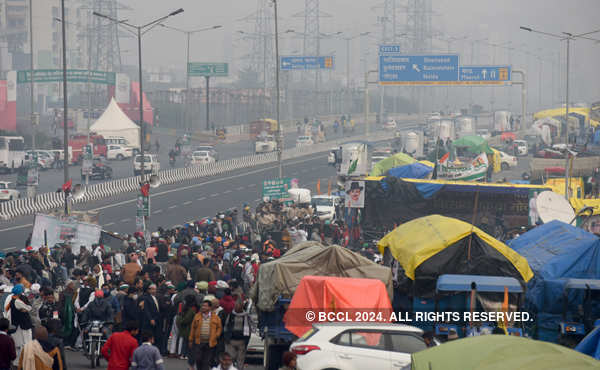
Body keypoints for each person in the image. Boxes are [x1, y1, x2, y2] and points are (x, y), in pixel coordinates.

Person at [189, 300, 222, 370]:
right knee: (198, 359)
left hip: (210, 343)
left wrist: (216, 335)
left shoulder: (215, 317)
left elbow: (219, 328)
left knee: (206, 361)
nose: (203, 307)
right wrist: (191, 340)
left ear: (210, 308)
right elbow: (193, 329)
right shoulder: (197, 316)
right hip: (199, 342)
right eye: (202, 306)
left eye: (205, 306)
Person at [223, 299, 252, 369]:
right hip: (231, 340)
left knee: (240, 359)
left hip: (242, 341)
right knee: (230, 357)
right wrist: (226, 337)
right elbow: (226, 326)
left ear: (242, 307)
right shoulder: (230, 315)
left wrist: (246, 340)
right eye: (235, 306)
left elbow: (249, 328)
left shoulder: (246, 316)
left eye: (238, 307)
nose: (236, 308)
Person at [10, 284, 33, 358]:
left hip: (17, 324)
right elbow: (29, 308)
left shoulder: (13, 299)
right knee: (24, 343)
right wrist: (26, 309)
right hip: (22, 325)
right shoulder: (17, 301)